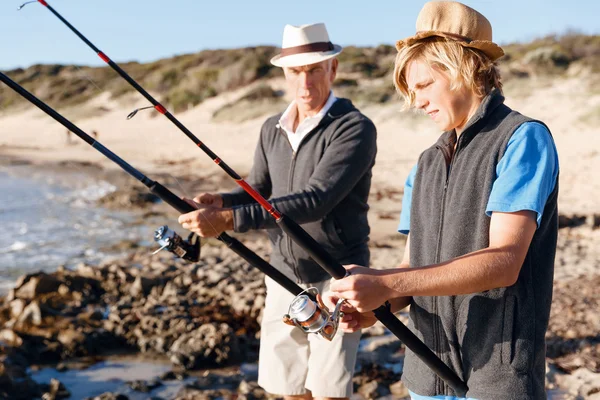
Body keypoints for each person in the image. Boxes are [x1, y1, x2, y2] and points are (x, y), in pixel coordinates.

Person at [324, 2, 559, 399]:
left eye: (424, 85)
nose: (416, 102)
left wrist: (385, 282)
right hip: (426, 372)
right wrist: (374, 304)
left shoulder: (522, 139)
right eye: (411, 90)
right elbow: (411, 268)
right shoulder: (425, 163)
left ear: (462, 69)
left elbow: (505, 261)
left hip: (499, 376)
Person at [178, 23, 377, 400]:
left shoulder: (354, 128)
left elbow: (316, 198)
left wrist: (229, 221)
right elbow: (260, 189)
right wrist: (221, 202)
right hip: (281, 273)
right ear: (284, 74)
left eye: (315, 69)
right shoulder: (272, 127)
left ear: (333, 69)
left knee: (329, 391)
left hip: (336, 275)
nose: (305, 82)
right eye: (296, 71)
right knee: (288, 389)